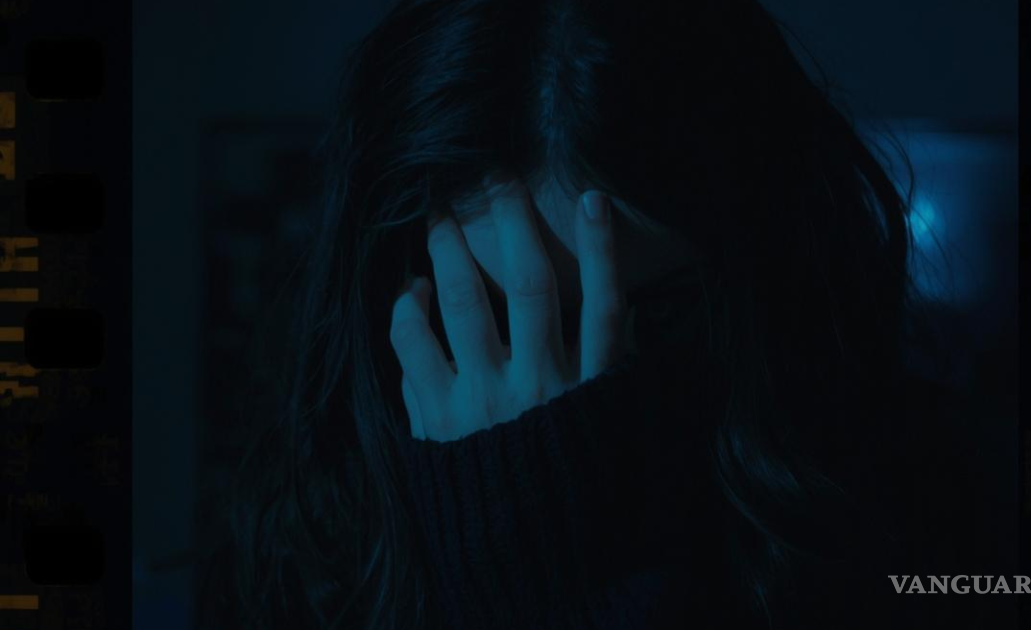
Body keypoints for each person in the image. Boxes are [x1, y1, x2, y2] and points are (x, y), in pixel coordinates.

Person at [196, 0, 975, 628]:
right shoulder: (296, 546)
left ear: (761, 268)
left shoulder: (925, 516)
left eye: (658, 310)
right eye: (502, 319)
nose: (567, 383)